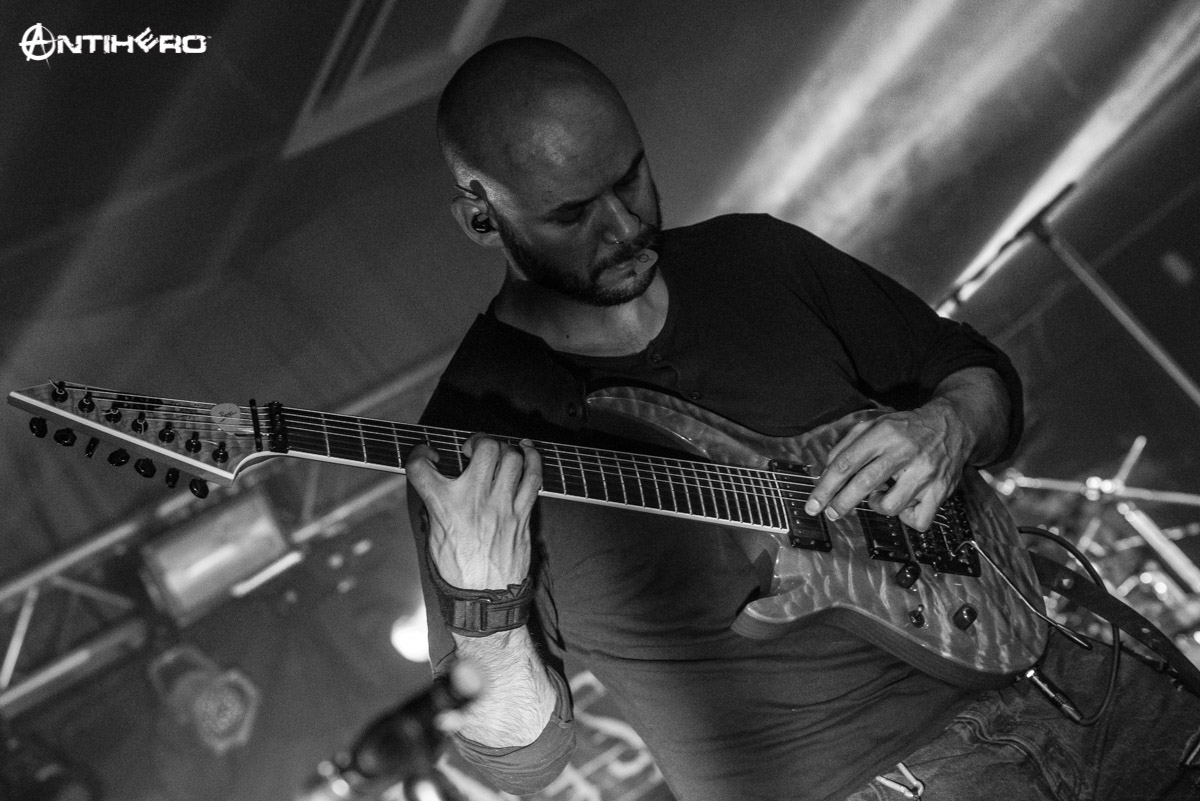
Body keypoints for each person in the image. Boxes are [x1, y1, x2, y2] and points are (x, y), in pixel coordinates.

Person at [403, 37, 1200, 801]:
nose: (625, 226)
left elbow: (978, 378)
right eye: (573, 214)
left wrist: (950, 421)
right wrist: (485, 612)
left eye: (631, 176)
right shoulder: (471, 442)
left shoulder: (755, 257)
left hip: (1074, 687)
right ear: (482, 218)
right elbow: (525, 760)